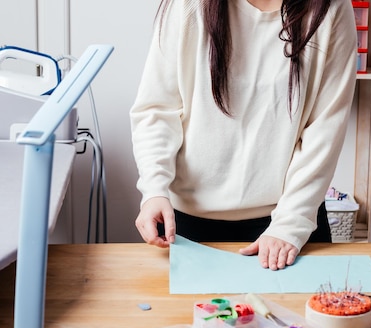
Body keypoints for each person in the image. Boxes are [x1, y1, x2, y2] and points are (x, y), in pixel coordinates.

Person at [130, 0, 357, 270]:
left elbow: (325, 130)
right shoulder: (188, 5)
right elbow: (157, 111)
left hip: (286, 225)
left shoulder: (331, 9)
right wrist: (154, 189)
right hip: (187, 227)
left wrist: (289, 225)